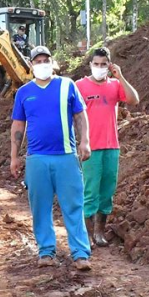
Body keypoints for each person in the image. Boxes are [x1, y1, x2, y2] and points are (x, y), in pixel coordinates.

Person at [10, 46, 92, 271]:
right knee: (40, 207)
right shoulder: (24, 92)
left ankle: (80, 253)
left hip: (66, 156)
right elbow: (18, 125)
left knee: (73, 206)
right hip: (37, 159)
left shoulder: (67, 85)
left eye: (46, 60)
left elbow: (80, 114)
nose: (42, 64)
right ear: (31, 65)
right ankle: (46, 251)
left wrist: (85, 141)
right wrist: (14, 156)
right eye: (38, 61)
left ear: (52, 62)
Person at [76, 47, 140, 247]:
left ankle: (99, 232)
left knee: (107, 191)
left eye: (104, 64)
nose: (100, 68)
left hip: (112, 145)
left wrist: (120, 76)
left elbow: (134, 99)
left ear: (109, 65)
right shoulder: (80, 86)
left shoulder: (114, 85)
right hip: (90, 147)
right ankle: (85, 236)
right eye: (96, 64)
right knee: (90, 191)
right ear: (90, 65)